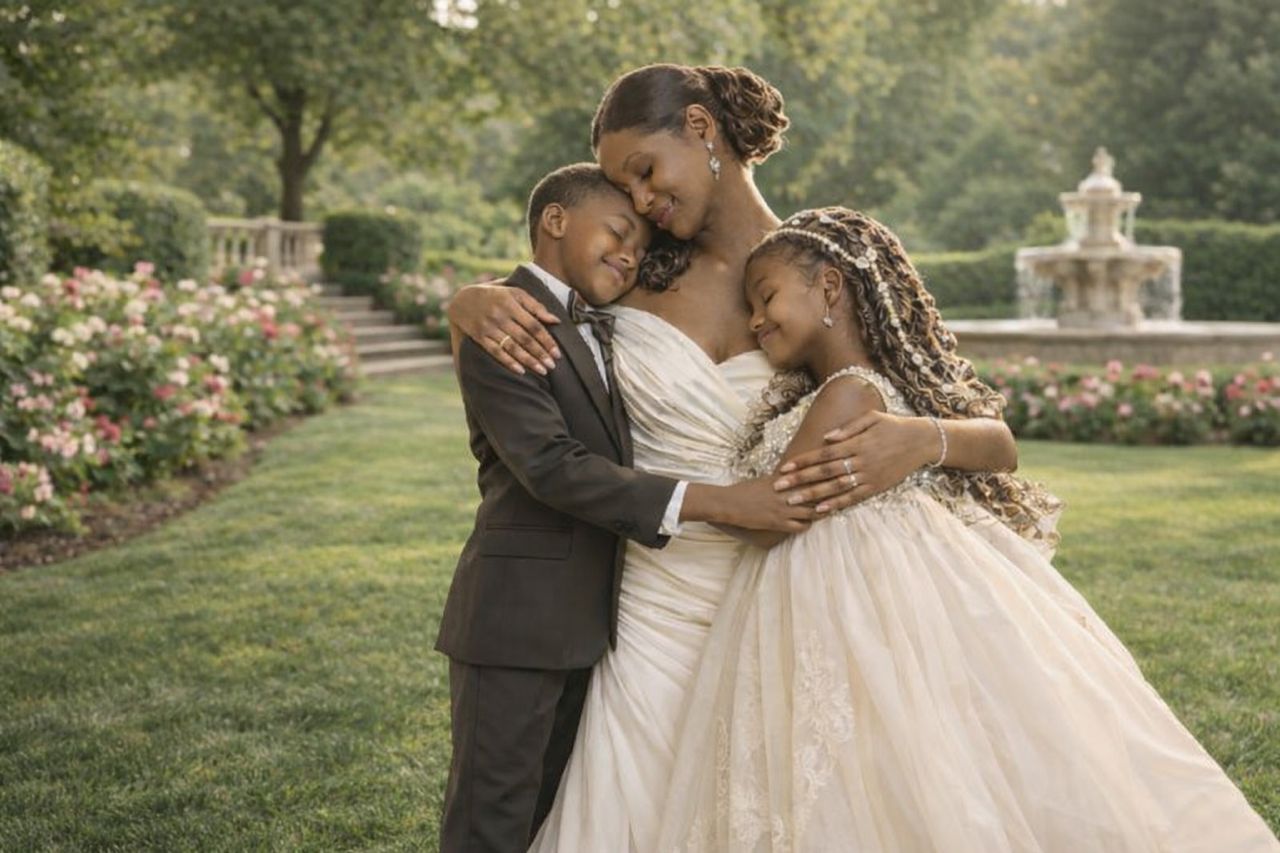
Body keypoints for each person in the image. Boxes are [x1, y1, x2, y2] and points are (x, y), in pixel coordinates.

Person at [446, 66, 1020, 851]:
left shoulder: (820, 267)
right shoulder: (632, 274)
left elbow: (991, 436)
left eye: (645, 173)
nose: (640, 203)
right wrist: (471, 300)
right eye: (624, 190)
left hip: (785, 594)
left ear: (701, 129)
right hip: (648, 602)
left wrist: (924, 438)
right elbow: (549, 320)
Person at [654, 206, 1280, 852]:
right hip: (850, 587)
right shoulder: (850, 388)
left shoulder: (847, 393)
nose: (757, 321)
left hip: (848, 589)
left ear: (831, 288)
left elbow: (775, 512)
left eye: (767, 299)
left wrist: (687, 501)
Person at [435, 162, 813, 853]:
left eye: (639, 245)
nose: (629, 253)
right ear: (555, 221)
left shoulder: (598, 319)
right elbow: (552, 466)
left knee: (544, 810)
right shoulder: (503, 323)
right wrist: (722, 503)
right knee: (490, 818)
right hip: (514, 619)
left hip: (592, 618)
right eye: (616, 231)